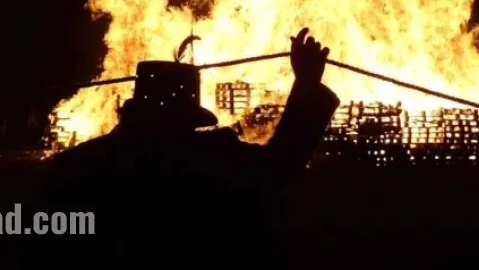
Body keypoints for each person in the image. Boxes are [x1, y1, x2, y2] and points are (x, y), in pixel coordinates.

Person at [38, 28, 339, 266]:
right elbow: (279, 164)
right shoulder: (211, 158)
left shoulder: (77, 165)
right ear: (187, 118)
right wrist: (307, 84)